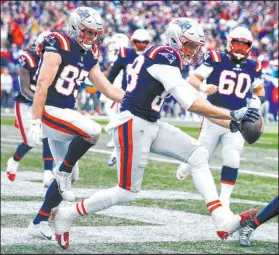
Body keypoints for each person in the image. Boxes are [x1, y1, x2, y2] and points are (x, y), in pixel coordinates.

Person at [51, 17, 260, 249]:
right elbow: (189, 103)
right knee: (127, 191)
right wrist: (232, 114)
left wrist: (230, 123)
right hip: (132, 123)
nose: (193, 51)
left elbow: (197, 102)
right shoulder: (165, 56)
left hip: (149, 122)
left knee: (198, 154)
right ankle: (67, 214)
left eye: (196, 47)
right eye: (189, 45)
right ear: (175, 41)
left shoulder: (168, 58)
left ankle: (221, 219)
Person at [26, 6, 124, 240]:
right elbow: (42, 83)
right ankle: (62, 173)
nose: (91, 37)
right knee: (92, 131)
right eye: (87, 32)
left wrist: (137, 99)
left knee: (73, 175)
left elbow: (107, 88)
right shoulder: (59, 42)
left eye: (94, 33)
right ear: (74, 27)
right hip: (50, 110)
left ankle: (38, 221)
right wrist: (35, 120)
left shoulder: (89, 54)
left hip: (63, 113)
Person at [175, 27, 265, 208]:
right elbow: (193, 80)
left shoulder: (252, 66)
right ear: (230, 43)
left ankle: (224, 199)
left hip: (237, 120)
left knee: (232, 158)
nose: (240, 49)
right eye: (237, 44)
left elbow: (259, 90)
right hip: (213, 116)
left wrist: (255, 104)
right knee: (201, 157)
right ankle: (186, 165)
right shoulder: (216, 58)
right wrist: (203, 87)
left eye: (244, 45)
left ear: (249, 46)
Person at [6, 31, 55, 187]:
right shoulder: (28, 60)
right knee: (32, 141)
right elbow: (25, 89)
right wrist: (40, 99)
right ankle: (13, 161)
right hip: (26, 104)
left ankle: (48, 174)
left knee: (49, 136)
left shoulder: (55, 62)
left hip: (43, 103)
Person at [105, 29, 152, 167]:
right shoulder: (125, 54)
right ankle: (116, 153)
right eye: (138, 42)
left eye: (144, 43)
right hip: (128, 95)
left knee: (141, 130)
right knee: (125, 126)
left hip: (145, 96)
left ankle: (135, 158)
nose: (141, 46)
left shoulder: (152, 56)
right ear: (133, 42)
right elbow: (113, 73)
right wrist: (106, 88)